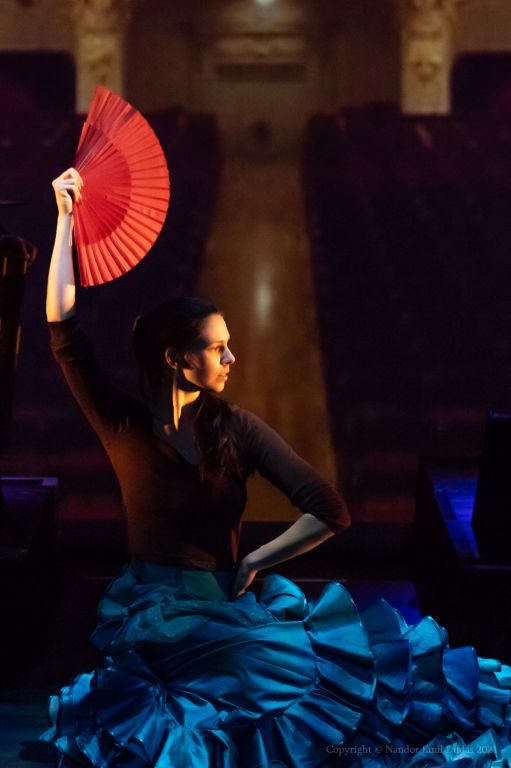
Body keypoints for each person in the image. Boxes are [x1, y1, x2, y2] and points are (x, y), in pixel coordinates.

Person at [42, 169, 511, 768]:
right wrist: (65, 219)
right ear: (176, 358)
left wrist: (256, 560)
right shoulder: (125, 425)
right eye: (217, 347)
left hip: (221, 603)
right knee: (271, 675)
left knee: (319, 675)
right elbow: (64, 331)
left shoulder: (237, 427)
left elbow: (331, 509)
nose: (232, 357)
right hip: (154, 613)